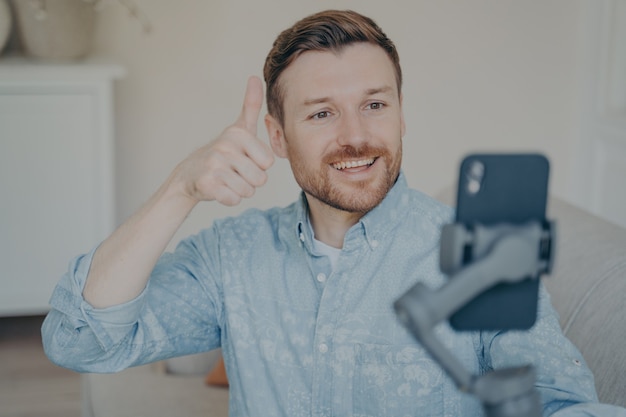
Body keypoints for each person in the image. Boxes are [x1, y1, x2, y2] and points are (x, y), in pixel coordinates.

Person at [42, 9, 622, 416]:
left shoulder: (482, 251)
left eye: (374, 105)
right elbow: (80, 341)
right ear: (277, 135)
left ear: (400, 111)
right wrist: (179, 189)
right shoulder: (231, 257)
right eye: (321, 114)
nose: (357, 137)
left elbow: (562, 402)